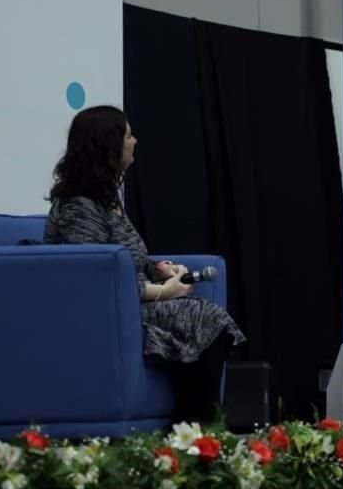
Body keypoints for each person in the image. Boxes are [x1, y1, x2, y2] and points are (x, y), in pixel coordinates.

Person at [44, 105, 246, 424]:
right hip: (106, 315)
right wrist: (162, 292)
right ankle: (191, 437)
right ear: (108, 148)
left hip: (132, 304)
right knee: (207, 320)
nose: (135, 141)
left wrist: (157, 269)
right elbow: (94, 279)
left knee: (208, 322)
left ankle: (191, 435)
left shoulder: (108, 199)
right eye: (128, 135)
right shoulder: (79, 208)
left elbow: (123, 259)